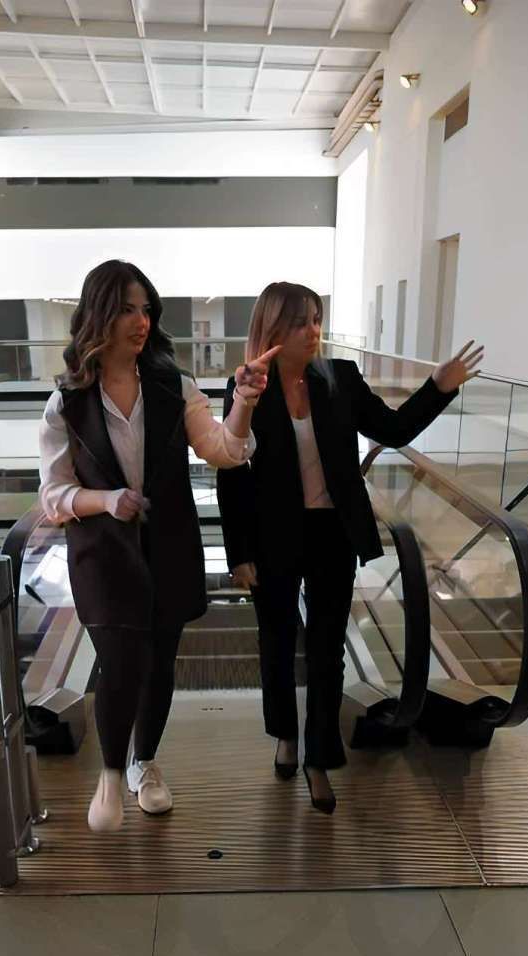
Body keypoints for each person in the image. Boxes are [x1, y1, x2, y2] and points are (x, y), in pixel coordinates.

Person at [216, 282, 483, 814]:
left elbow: (394, 427)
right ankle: (285, 736)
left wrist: (439, 386)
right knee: (275, 643)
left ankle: (318, 756)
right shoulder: (246, 387)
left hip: (332, 534)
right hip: (273, 537)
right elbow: (232, 475)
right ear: (271, 330)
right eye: (300, 322)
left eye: (317, 319)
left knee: (326, 650)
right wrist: (238, 553)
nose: (313, 331)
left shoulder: (340, 378)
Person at [38, 260, 279, 832]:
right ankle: (111, 773)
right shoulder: (66, 402)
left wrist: (243, 401)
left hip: (169, 547)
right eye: (126, 308)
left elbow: (223, 449)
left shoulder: (176, 386)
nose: (140, 321)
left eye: (146, 308)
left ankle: (145, 764)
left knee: (161, 664)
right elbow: (53, 494)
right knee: (122, 661)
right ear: (98, 313)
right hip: (103, 554)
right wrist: (106, 500)